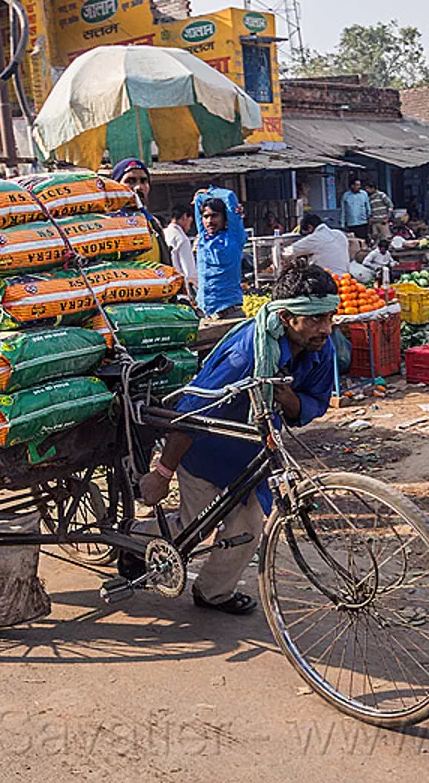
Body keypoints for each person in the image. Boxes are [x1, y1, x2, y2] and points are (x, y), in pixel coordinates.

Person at [134, 258, 339, 615]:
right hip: (204, 449)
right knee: (191, 528)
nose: (326, 328)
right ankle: (132, 540)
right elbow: (191, 412)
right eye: (316, 319)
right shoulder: (248, 354)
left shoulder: (322, 348)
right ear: (287, 318)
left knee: (248, 529)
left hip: (252, 454)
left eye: (329, 317)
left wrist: (288, 399)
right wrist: (162, 474)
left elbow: (314, 403)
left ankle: (212, 593)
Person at [194, 189, 246, 319]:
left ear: (225, 217)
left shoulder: (234, 237)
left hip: (229, 312)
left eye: (215, 216)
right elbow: (199, 200)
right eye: (206, 217)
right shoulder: (203, 237)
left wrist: (211, 192)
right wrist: (201, 195)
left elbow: (229, 196)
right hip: (206, 314)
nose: (209, 221)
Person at [112, 158, 171, 266]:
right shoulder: (107, 224)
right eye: (130, 181)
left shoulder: (154, 224)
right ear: (115, 186)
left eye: (143, 181)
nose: (139, 187)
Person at [163, 205, 197, 297]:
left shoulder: (163, 233)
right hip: (179, 288)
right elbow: (189, 271)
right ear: (185, 216)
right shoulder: (181, 238)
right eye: (190, 221)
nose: (190, 226)